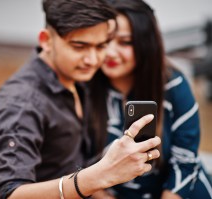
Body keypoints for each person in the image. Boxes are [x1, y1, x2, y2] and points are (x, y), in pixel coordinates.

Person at [0, 0, 161, 198]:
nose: (92, 60)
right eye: (79, 46)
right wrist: (99, 176)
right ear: (46, 40)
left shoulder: (78, 79)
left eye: (101, 46)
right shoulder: (21, 102)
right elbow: (10, 195)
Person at [89, 0, 212, 198]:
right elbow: (76, 164)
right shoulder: (85, 85)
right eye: (105, 40)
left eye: (125, 42)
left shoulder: (174, 86)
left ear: (145, 43)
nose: (110, 52)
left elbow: (185, 161)